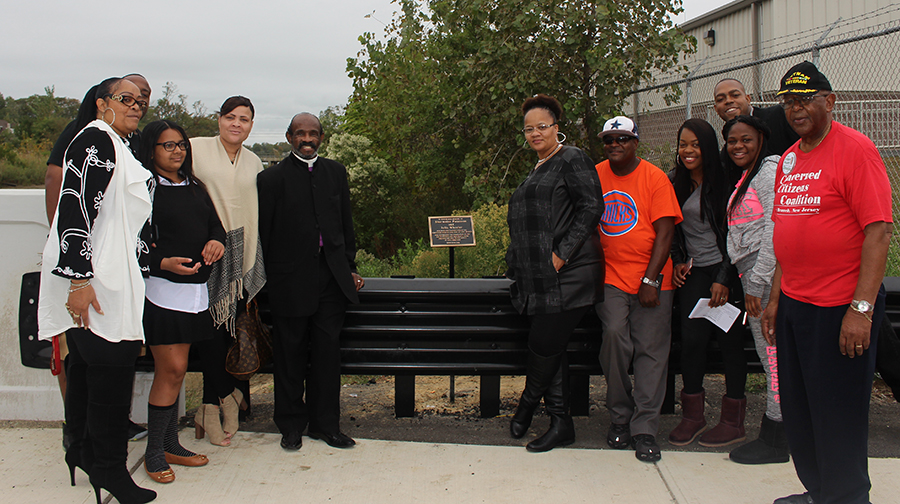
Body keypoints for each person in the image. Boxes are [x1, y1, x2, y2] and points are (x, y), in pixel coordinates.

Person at [762, 62, 892, 504]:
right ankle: (819, 492)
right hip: (797, 304)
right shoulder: (792, 158)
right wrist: (777, 299)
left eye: (804, 99)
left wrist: (861, 310)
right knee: (801, 412)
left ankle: (848, 497)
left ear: (829, 101)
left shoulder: (856, 150)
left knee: (837, 415)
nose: (795, 109)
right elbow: (788, 231)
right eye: (788, 101)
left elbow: (878, 231)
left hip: (839, 308)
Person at [37, 77, 156, 504]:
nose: (136, 106)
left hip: (111, 271)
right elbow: (75, 207)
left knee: (88, 367)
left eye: (141, 101)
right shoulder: (96, 140)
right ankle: (109, 467)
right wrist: (79, 280)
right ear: (103, 104)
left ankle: (83, 450)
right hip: (96, 276)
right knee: (111, 369)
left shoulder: (118, 145)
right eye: (126, 99)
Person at [257, 112, 364, 451]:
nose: (307, 139)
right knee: (289, 355)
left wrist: (349, 265)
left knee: (327, 356)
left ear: (321, 137)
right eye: (300, 133)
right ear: (289, 137)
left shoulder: (335, 173)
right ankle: (290, 426)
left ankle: (326, 425)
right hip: (289, 280)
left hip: (331, 279)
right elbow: (265, 234)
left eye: (313, 133)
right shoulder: (271, 180)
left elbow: (344, 223)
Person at [505, 94, 605, 452]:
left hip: (571, 272)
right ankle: (561, 422)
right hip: (540, 279)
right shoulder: (537, 167)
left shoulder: (571, 158)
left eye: (542, 127)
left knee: (544, 344)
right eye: (529, 128)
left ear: (556, 129)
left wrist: (562, 255)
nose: (535, 133)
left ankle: (526, 406)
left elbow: (593, 206)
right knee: (553, 347)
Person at [138, 120, 226, 483]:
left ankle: (171, 443)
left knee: (177, 369)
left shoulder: (195, 186)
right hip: (159, 290)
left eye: (180, 145)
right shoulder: (144, 189)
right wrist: (161, 263)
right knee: (171, 370)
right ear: (151, 150)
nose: (177, 151)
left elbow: (215, 228)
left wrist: (216, 243)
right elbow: (131, 241)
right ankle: (154, 452)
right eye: (167, 145)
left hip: (194, 292)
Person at [594, 116, 682, 462]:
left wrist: (651, 279)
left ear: (635, 142)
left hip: (652, 277)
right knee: (614, 336)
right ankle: (619, 416)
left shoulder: (654, 177)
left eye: (622, 139)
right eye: (608, 140)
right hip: (611, 276)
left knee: (651, 352)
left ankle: (644, 427)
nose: (614, 145)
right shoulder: (596, 173)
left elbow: (665, 232)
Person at [190, 96, 266, 446]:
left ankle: (210, 405)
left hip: (241, 256)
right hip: (204, 252)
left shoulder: (254, 162)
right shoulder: (195, 149)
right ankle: (226, 397)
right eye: (231, 117)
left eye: (245, 119)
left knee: (227, 330)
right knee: (208, 331)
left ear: (251, 126)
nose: (237, 124)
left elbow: (256, 208)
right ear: (219, 119)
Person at [667, 119, 746, 448]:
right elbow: (670, 230)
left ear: (709, 147)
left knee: (731, 345)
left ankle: (732, 420)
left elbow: (736, 234)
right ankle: (693, 416)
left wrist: (724, 278)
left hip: (727, 270)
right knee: (692, 341)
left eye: (695, 144)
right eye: (683, 144)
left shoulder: (727, 181)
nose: (688, 151)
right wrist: (676, 261)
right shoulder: (676, 182)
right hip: (695, 272)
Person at [721, 115, 789, 465]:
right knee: (771, 356)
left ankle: (777, 436)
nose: (738, 147)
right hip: (751, 276)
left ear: (761, 138)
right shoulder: (748, 177)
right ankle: (780, 428)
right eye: (732, 141)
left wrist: (758, 283)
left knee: (773, 356)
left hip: (762, 279)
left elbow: (776, 228)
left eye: (745, 139)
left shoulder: (768, 172)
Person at [713, 77, 799, 158]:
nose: (728, 101)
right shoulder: (728, 151)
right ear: (716, 108)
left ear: (748, 99)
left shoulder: (778, 116)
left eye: (735, 95)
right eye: (720, 99)